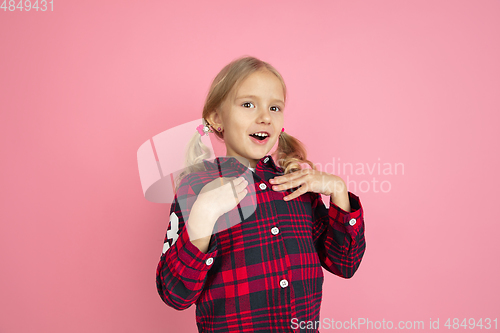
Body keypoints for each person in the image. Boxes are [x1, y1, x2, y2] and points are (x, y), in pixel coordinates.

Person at [156, 55, 366, 332]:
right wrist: (203, 217)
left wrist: (338, 190)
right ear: (217, 117)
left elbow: (344, 263)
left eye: (275, 107)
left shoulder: (297, 186)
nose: (265, 116)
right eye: (248, 104)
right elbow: (175, 295)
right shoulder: (197, 187)